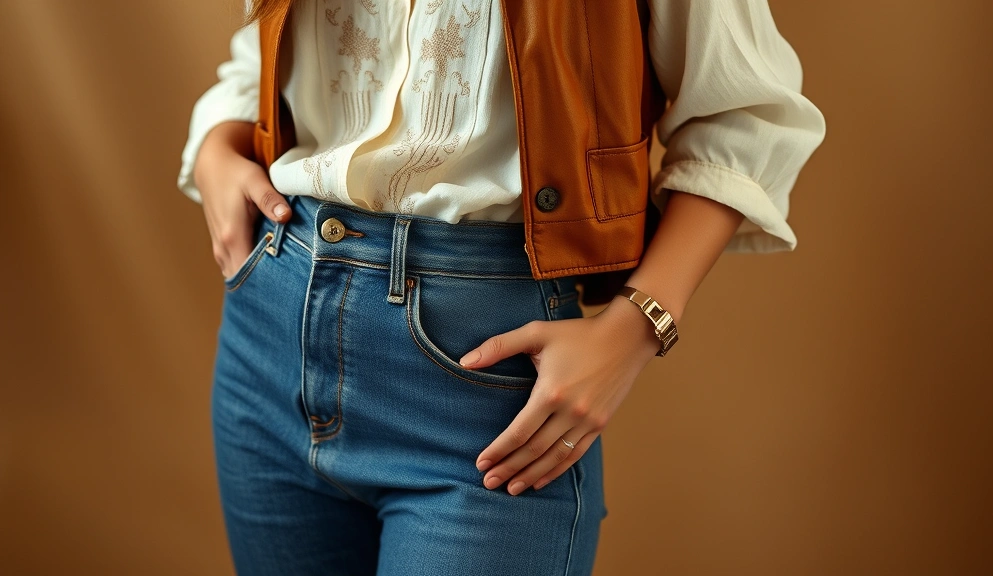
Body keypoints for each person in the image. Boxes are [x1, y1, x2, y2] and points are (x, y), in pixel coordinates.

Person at [177, 0, 825, 574]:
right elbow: (268, 47)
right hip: (270, 339)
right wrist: (216, 146)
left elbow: (744, 113)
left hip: (486, 386)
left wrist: (637, 324)